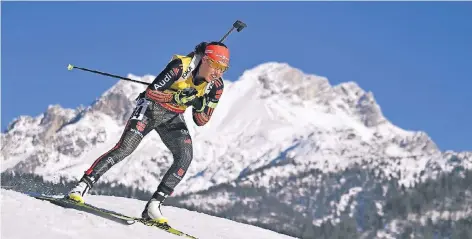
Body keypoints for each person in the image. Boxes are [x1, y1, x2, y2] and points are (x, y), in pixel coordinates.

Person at [66, 41, 229, 225]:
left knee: (185, 156)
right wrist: (175, 96)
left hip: (172, 116)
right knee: (125, 148)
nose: (219, 73)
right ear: (205, 60)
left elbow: (201, 120)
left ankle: (154, 206)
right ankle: (82, 186)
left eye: (224, 68)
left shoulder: (216, 86)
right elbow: (151, 92)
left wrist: (199, 104)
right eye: (216, 66)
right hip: (150, 109)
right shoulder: (180, 67)